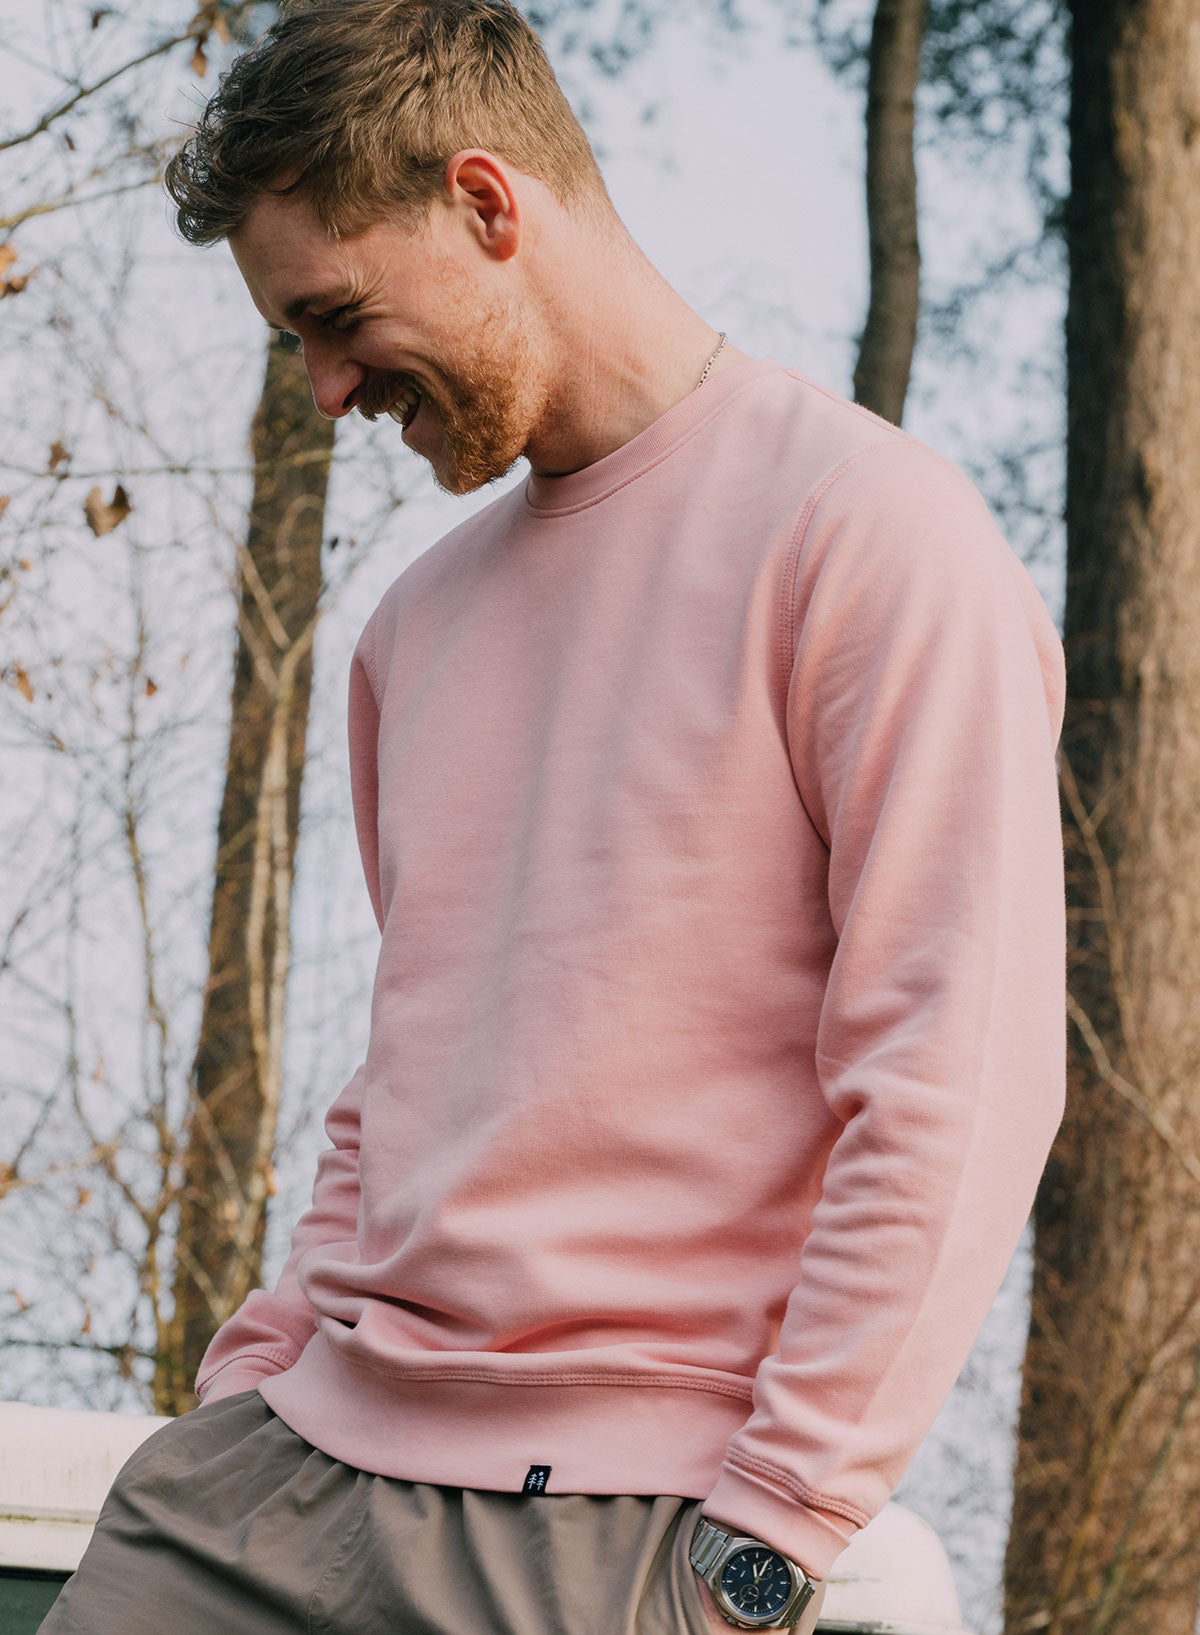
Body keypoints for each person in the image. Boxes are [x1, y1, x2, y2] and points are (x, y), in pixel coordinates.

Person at [40, 2, 1067, 1632]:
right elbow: (409, 1080)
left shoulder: (873, 539)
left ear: (486, 203)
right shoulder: (417, 628)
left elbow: (958, 1079)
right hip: (281, 1472)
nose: (323, 389)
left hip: (610, 1523)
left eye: (335, 317)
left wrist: (777, 1526)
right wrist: (255, 1373)